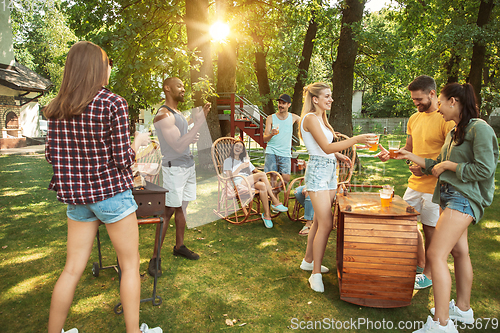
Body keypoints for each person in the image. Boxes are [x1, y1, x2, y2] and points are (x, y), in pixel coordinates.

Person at [44, 41, 161, 333]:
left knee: (71, 269)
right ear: (98, 67)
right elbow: (123, 158)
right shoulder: (113, 103)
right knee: (130, 265)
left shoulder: (57, 108)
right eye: (108, 62)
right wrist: (138, 147)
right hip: (112, 195)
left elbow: (51, 155)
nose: (110, 68)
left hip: (78, 199)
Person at [396, 83, 498, 333]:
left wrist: (450, 167)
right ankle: (462, 309)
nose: (438, 108)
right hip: (450, 196)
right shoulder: (455, 132)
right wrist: (408, 156)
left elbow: (485, 169)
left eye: (440, 102)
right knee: (460, 253)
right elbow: (437, 164)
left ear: (453, 101)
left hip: (464, 199)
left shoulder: (480, 128)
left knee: (435, 255)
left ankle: (441, 324)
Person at [378, 75, 455, 290]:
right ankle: (420, 264)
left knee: (431, 231)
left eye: (419, 99)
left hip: (435, 187)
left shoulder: (445, 120)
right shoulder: (414, 118)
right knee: (406, 224)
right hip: (414, 183)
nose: (416, 103)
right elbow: (408, 149)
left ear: (432, 94)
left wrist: (425, 170)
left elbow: (449, 156)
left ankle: (429, 273)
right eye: (413, 100)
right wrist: (391, 155)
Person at [298, 82, 376, 292]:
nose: (331, 99)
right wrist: (355, 140)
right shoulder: (310, 118)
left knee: (318, 221)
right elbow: (325, 146)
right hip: (318, 174)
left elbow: (325, 148)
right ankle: (315, 274)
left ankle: (308, 261)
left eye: (331, 96)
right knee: (326, 224)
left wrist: (336, 155)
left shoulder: (322, 119)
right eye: (327, 96)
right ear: (315, 99)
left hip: (329, 171)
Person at [148, 77, 211, 277]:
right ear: (167, 88)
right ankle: (154, 258)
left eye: (184, 85)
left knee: (182, 208)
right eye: (179, 86)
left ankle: (179, 246)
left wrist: (193, 132)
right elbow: (176, 146)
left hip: (188, 165)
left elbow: (184, 140)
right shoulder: (163, 115)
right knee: (166, 213)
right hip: (174, 168)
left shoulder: (178, 114)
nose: (183, 89)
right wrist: (198, 123)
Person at [223, 140, 288, 228]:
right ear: (233, 148)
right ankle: (274, 200)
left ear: (242, 151)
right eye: (236, 146)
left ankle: (267, 215)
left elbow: (256, 171)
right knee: (262, 175)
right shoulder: (228, 161)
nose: (238, 148)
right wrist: (240, 168)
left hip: (249, 181)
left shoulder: (245, 161)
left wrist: (264, 176)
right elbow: (229, 176)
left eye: (240, 147)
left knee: (263, 185)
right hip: (238, 182)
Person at [263, 93, 301, 187]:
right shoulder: (271, 118)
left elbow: (308, 123)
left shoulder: (294, 117)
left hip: (285, 153)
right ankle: (274, 201)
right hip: (272, 151)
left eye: (283, 103)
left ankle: (273, 195)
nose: (280, 105)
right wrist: (271, 134)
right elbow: (264, 138)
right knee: (273, 178)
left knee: (286, 179)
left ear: (289, 105)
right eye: (279, 103)